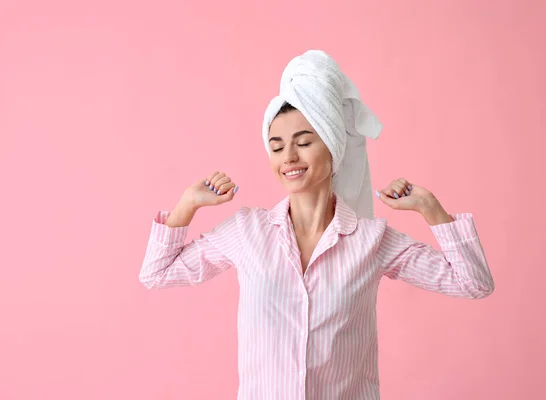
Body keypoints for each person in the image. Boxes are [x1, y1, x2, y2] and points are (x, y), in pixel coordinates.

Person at [139, 50, 494, 400]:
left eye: (304, 142)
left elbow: (474, 282)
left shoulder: (372, 240)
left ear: (333, 145)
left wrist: (430, 208)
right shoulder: (247, 232)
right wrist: (187, 204)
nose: (289, 157)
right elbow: (156, 273)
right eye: (276, 148)